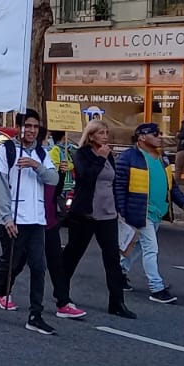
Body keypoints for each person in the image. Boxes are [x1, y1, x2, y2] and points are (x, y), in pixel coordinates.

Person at [0, 108, 60, 335]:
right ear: (19, 127)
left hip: (36, 218)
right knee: (10, 263)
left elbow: (53, 178)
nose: (31, 130)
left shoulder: (41, 153)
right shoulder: (6, 150)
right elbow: (1, 185)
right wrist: (7, 217)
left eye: (35, 127)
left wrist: (35, 165)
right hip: (12, 219)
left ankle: (35, 314)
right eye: (27, 126)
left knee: (39, 266)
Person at [57, 119, 134, 318]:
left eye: (107, 132)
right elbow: (85, 177)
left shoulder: (108, 155)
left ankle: (117, 302)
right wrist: (99, 158)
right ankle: (62, 295)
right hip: (86, 212)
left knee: (112, 258)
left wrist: (118, 207)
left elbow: (112, 181)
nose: (105, 136)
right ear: (91, 136)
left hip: (107, 213)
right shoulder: (82, 154)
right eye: (101, 133)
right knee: (73, 254)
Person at [114, 122, 184, 305]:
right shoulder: (128, 158)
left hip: (158, 212)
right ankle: (156, 288)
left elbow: (171, 185)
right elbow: (118, 187)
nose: (160, 137)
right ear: (142, 137)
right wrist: (122, 212)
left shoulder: (161, 157)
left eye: (160, 133)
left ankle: (119, 273)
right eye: (156, 134)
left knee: (138, 247)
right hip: (140, 213)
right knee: (151, 249)